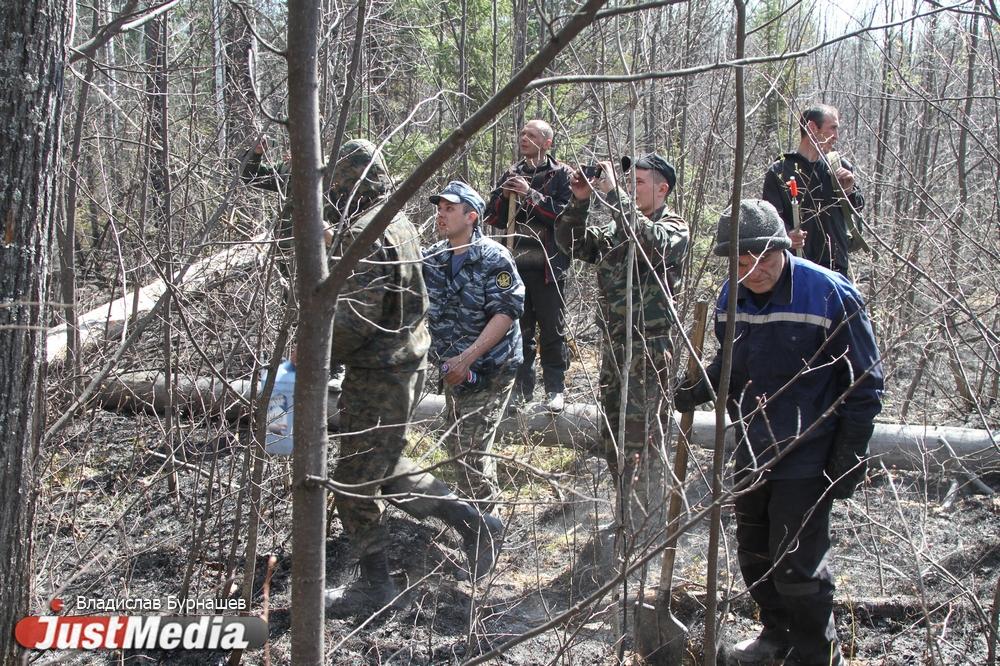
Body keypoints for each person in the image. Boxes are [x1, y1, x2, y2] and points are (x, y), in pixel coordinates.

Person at [675, 199, 884, 665]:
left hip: (810, 450)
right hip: (751, 444)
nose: (754, 271)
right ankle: (775, 635)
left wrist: (849, 452)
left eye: (764, 259)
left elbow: (867, 382)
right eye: (741, 262)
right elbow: (734, 363)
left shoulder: (830, 293)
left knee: (797, 563)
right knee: (754, 553)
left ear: (785, 245)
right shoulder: (731, 297)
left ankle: (815, 653)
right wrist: (699, 389)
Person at [322, 142, 503, 616]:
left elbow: (357, 317)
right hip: (400, 364)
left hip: (381, 370)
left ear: (347, 183)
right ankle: (472, 518)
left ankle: (374, 585)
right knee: (383, 465)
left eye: (336, 184)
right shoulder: (394, 219)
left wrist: (310, 356)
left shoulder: (366, 231)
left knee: (354, 480)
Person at [554, 153, 688, 550]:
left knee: (644, 442)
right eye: (629, 181)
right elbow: (571, 242)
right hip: (614, 353)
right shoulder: (615, 230)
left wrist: (613, 195)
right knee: (614, 440)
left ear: (662, 189)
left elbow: (652, 243)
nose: (631, 186)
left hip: (649, 353)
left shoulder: (673, 227)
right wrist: (579, 200)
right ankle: (625, 518)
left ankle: (647, 526)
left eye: (640, 182)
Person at [423, 181, 525, 513]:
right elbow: (392, 266)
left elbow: (506, 312)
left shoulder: (494, 257)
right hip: (454, 370)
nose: (441, 215)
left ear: (471, 216)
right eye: (439, 209)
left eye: (449, 209)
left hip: (490, 368)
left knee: (471, 450)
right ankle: (474, 520)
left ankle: (486, 528)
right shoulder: (434, 257)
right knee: (457, 445)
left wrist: (467, 358)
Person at [242, 138, 347, 391]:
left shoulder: (330, 174)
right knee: (291, 310)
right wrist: (255, 153)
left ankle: (335, 367)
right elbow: (250, 176)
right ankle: (292, 366)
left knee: (325, 309)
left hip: (320, 257)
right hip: (287, 255)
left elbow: (345, 216)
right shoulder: (286, 172)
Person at [483, 120, 574, 412]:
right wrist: (504, 195)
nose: (524, 138)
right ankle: (521, 391)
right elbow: (492, 217)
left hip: (548, 269)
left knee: (551, 330)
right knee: (518, 330)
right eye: (522, 133)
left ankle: (555, 390)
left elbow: (564, 217)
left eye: (531, 135)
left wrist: (530, 195)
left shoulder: (562, 175)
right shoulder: (512, 173)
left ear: (547, 142)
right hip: (514, 269)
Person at [762, 103, 865, 277]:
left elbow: (857, 209)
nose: (836, 136)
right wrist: (787, 235)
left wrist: (849, 190)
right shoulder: (779, 171)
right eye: (832, 128)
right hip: (795, 268)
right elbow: (770, 217)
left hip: (836, 269)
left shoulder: (840, 167)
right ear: (811, 127)